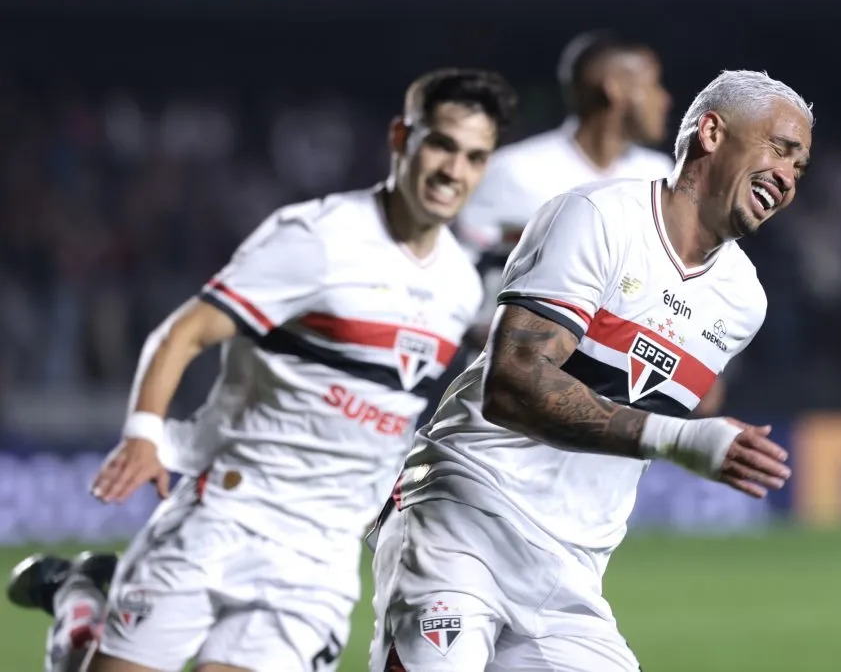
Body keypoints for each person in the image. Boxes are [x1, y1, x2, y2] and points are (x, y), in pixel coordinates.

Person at [7, 67, 517, 672]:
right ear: (401, 137)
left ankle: (87, 604)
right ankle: (80, 605)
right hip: (225, 511)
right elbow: (184, 331)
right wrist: (144, 434)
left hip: (318, 554)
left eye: (474, 157)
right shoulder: (318, 238)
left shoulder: (460, 283)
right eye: (441, 144)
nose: (453, 171)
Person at [368, 69, 812, 671]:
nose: (788, 176)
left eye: (799, 167)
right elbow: (512, 384)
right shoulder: (596, 217)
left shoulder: (742, 301)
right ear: (711, 132)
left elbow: (626, 399)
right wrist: (678, 437)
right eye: (779, 150)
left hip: (570, 569)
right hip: (466, 514)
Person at [454, 31, 726, 415]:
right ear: (613, 89)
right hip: (510, 405)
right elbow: (455, 275)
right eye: (652, 84)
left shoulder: (660, 177)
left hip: (611, 409)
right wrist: (496, 328)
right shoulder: (514, 172)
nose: (665, 99)